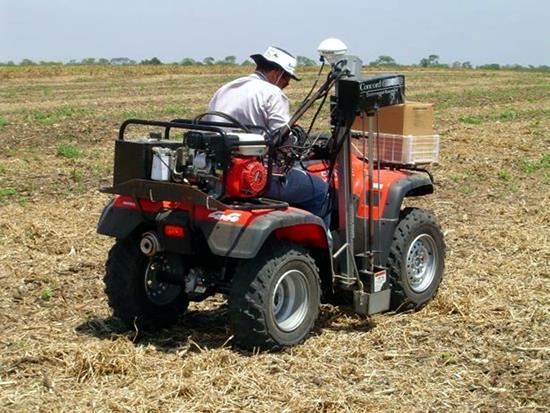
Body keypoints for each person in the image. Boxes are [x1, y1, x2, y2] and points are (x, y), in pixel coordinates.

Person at [206, 46, 330, 227]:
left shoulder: (226, 88)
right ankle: (322, 248)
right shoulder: (272, 93)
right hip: (256, 177)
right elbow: (283, 137)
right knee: (321, 191)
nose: (287, 82)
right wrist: (298, 147)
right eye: (287, 76)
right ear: (275, 72)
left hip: (218, 172)